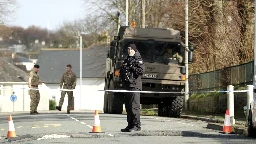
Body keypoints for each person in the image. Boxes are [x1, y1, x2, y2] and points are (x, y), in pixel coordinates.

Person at [119, 44, 145, 132]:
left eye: (131, 49)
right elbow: (122, 70)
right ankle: (130, 125)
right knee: (128, 107)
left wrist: (131, 67)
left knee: (134, 107)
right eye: (128, 49)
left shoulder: (138, 59)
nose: (129, 51)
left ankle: (137, 126)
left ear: (134, 50)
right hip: (127, 86)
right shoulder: (127, 59)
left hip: (135, 86)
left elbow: (141, 71)